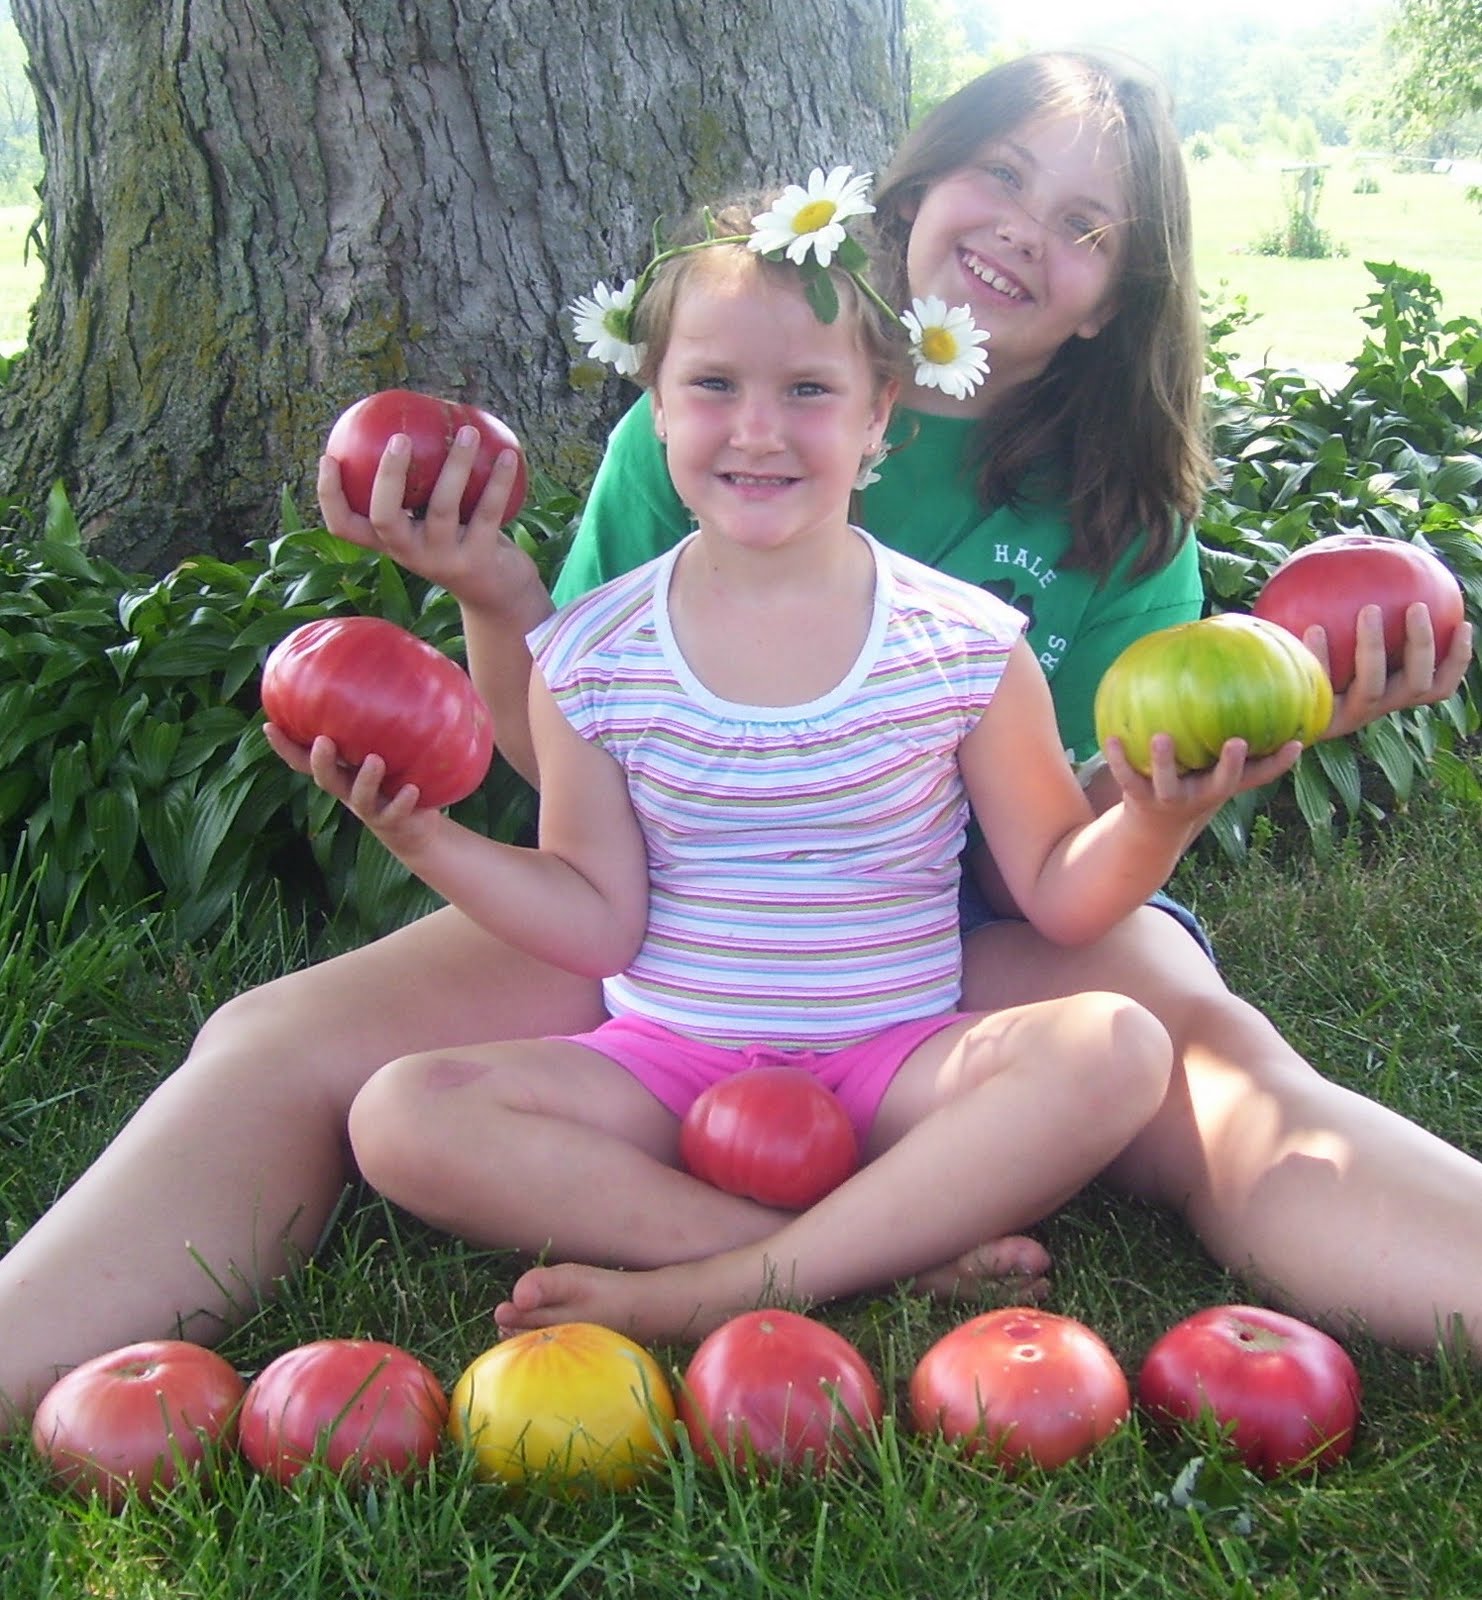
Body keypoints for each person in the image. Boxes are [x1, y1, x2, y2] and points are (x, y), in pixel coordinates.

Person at [0, 49, 1473, 1420]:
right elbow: (573, 753)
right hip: (681, 916)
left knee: (1217, 1072)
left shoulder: (1118, 507)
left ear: (1109, 302)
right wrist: (496, 596)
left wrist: (1196, 769)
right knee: (278, 1043)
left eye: (1087, 226)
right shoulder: (693, 414)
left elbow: (1069, 828)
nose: (1028, 230)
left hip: (978, 917)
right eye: (1000, 176)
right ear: (906, 198)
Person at [293, 189, 1290, 1343]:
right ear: (655, 412)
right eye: (713, 386)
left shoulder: (963, 644)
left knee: (1116, 1045)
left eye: (809, 391)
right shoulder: (591, 656)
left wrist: (1158, 821)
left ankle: (710, 1287)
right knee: (403, 1114)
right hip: (662, 1062)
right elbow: (596, 923)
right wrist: (427, 838)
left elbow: (1061, 888)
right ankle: (857, 1252)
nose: (758, 430)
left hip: (897, 1062)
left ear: (882, 418)